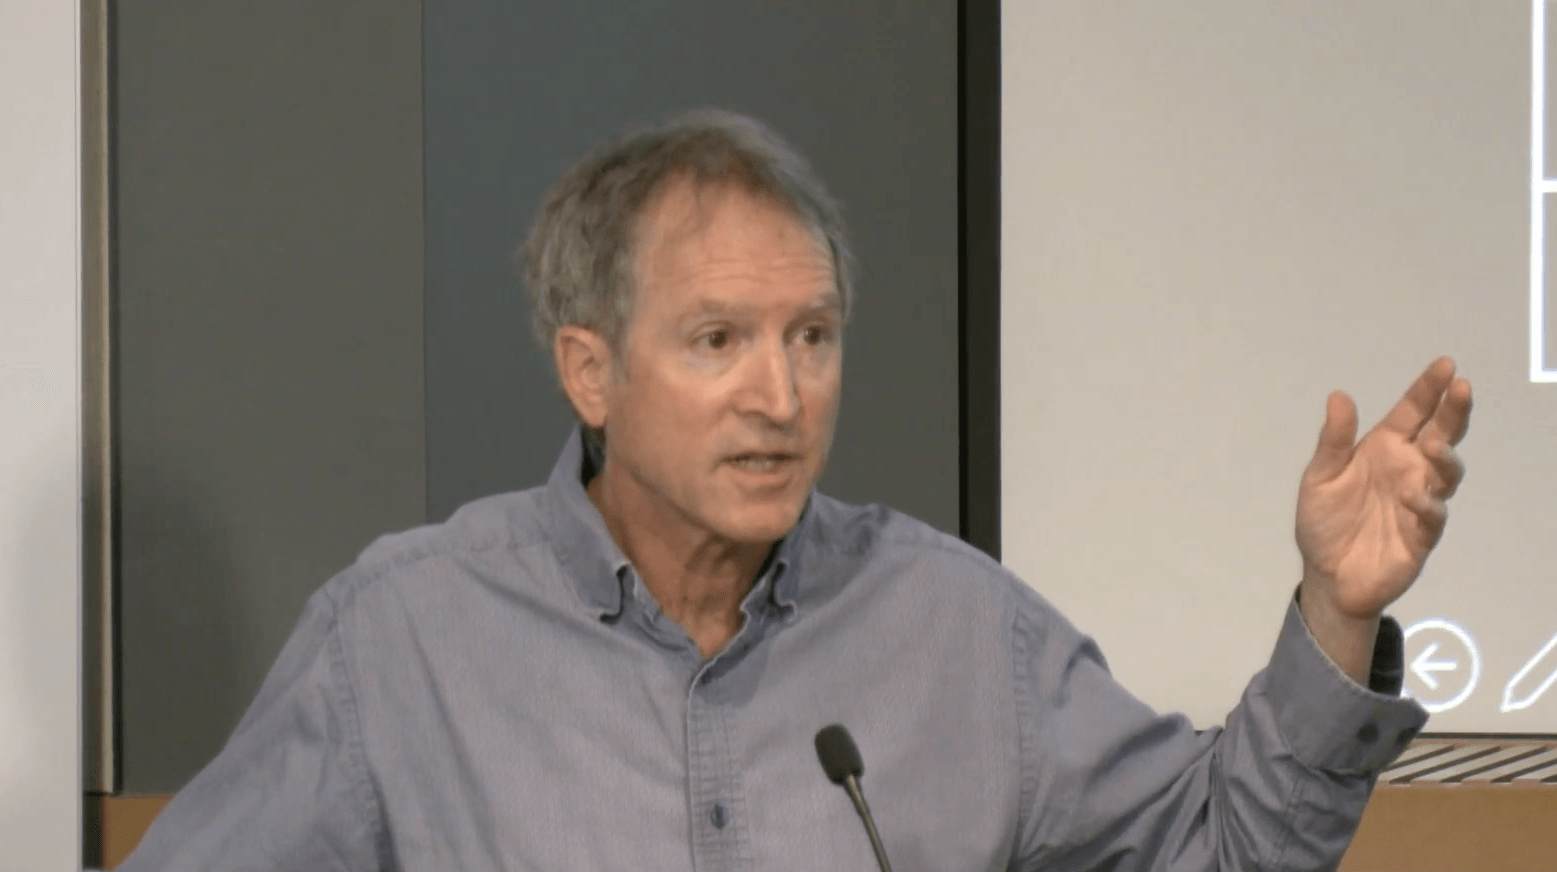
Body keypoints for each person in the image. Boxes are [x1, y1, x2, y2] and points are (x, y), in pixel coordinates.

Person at [121, 109, 1472, 871]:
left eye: (811, 338)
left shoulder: (954, 631)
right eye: (719, 341)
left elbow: (1225, 849)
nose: (782, 395)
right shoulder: (403, 643)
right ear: (589, 371)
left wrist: (1332, 611)